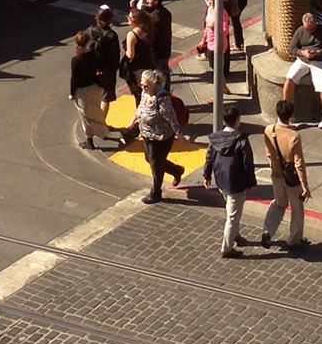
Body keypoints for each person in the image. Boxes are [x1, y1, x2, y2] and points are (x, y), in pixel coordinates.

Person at [200, 102, 257, 257]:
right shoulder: (241, 139)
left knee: (231, 210)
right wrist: (251, 182)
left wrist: (207, 174)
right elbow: (247, 162)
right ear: (237, 120)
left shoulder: (215, 138)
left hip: (221, 179)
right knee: (232, 216)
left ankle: (235, 235)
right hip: (236, 183)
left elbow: (209, 157)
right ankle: (227, 248)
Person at [260, 99, 310, 252]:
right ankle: (294, 239)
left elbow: (268, 153)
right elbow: (298, 163)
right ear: (291, 115)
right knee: (297, 209)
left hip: (276, 175)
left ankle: (267, 231)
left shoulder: (269, 130)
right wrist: (305, 186)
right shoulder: (294, 136)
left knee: (278, 204)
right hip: (291, 179)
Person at [132, 71, 186, 203]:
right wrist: (133, 121)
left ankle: (156, 192)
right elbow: (141, 107)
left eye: (146, 85)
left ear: (154, 83)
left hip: (161, 137)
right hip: (147, 134)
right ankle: (176, 170)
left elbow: (171, 117)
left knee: (155, 163)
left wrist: (179, 134)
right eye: (141, 85)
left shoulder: (162, 98)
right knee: (149, 158)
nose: (143, 88)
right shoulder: (145, 93)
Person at [282, 11, 322, 128]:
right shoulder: (300, 31)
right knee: (289, 78)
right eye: (308, 28)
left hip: (320, 61)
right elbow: (292, 48)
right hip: (303, 60)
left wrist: (318, 52)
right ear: (303, 24)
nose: (310, 30)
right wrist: (302, 52)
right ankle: (284, 107)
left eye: (312, 28)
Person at [68, 31, 116, 150]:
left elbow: (74, 79)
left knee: (86, 117)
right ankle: (103, 131)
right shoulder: (94, 55)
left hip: (82, 91)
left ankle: (90, 141)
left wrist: (72, 93)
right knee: (96, 111)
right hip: (95, 88)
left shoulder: (76, 60)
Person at [89, 5, 124, 100]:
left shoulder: (90, 31)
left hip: (92, 69)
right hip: (107, 70)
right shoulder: (112, 36)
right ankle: (102, 115)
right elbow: (115, 55)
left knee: (95, 96)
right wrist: (114, 68)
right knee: (106, 97)